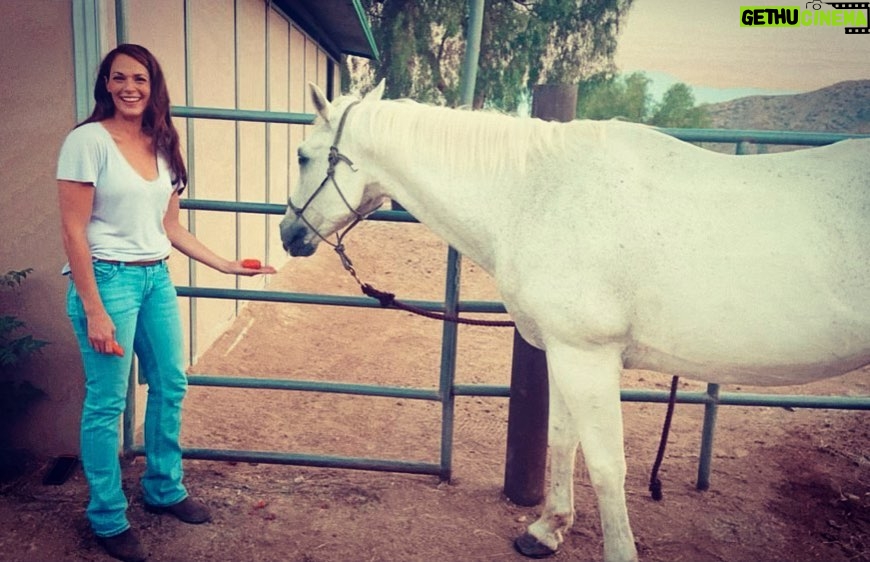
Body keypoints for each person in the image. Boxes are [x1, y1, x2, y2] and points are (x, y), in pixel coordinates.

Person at [57, 43, 276, 562]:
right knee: (107, 403)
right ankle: (107, 517)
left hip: (156, 279)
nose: (129, 87)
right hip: (107, 281)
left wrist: (224, 264)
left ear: (153, 85)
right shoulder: (87, 142)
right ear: (105, 85)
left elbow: (169, 224)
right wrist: (93, 308)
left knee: (171, 382)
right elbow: (72, 231)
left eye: (139, 78)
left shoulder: (163, 142)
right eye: (118, 78)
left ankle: (162, 488)